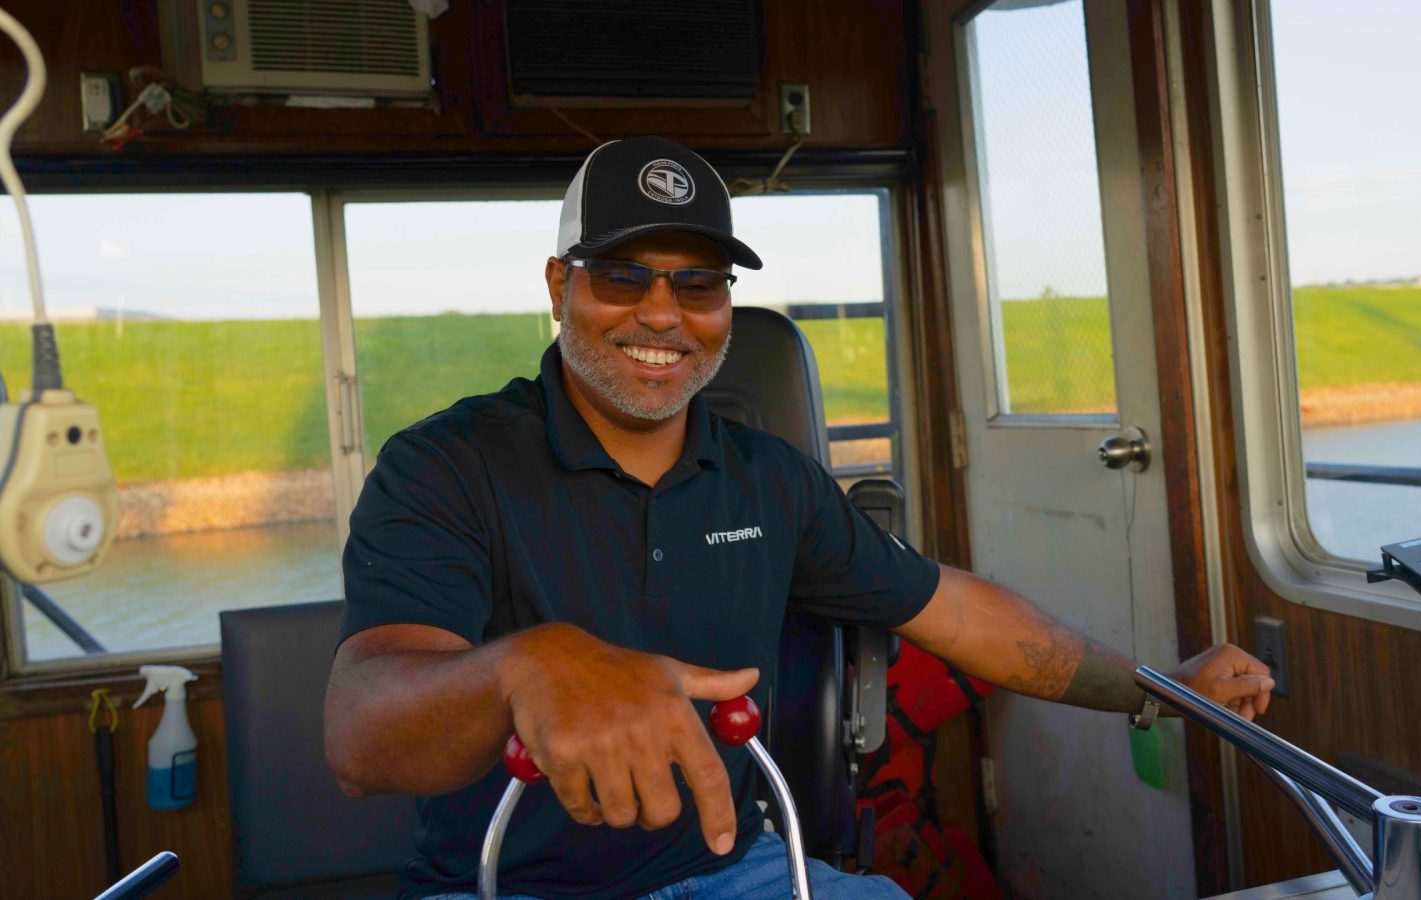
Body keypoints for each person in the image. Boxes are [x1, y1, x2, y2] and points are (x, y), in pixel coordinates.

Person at [324, 136, 1274, 900]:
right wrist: (527, 665)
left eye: (698, 284)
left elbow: (956, 612)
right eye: (621, 275)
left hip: (735, 872)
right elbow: (361, 735)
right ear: (557, 285)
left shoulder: (773, 482)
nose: (663, 314)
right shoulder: (445, 467)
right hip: (502, 882)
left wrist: (1162, 690)